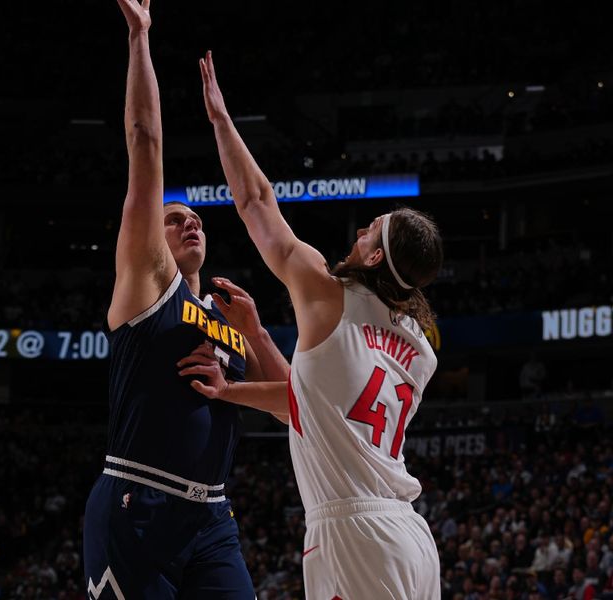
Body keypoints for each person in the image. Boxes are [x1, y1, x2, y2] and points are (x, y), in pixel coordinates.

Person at [179, 51, 444, 598]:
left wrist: (221, 121)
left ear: (375, 259)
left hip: (356, 534)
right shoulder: (421, 347)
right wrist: (238, 372)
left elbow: (255, 201)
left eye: (374, 229)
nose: (365, 227)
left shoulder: (331, 293)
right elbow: (310, 408)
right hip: (413, 539)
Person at [83, 4, 289, 599]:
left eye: (197, 217)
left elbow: (288, 410)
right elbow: (145, 142)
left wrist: (259, 335)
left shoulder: (227, 319)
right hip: (136, 500)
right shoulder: (149, 285)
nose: (190, 222)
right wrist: (140, 38)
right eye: (175, 219)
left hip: (213, 517)